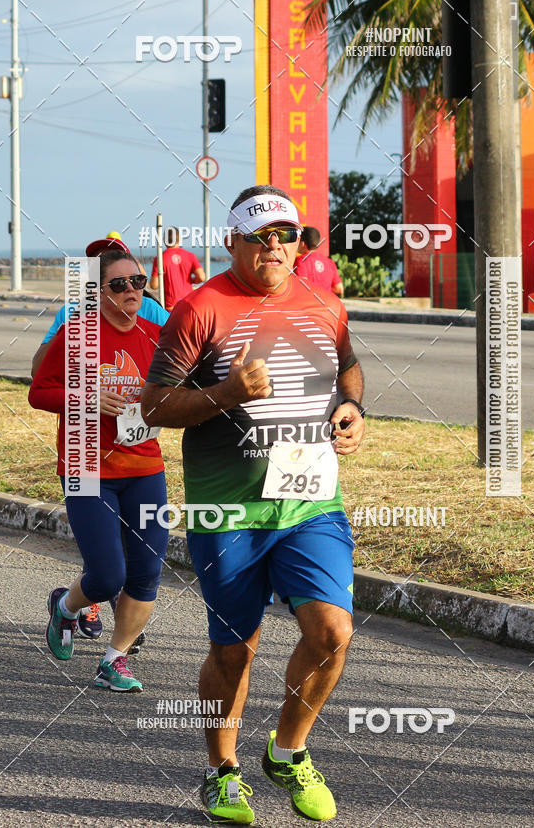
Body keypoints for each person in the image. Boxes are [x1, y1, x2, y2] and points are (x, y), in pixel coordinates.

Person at [141, 185, 364, 823]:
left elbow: (347, 367)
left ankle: (288, 751)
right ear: (234, 241)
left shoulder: (325, 303)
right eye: (260, 236)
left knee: (332, 631)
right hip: (228, 511)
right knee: (235, 649)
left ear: (300, 243)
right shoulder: (199, 309)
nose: (275, 247)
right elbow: (154, 406)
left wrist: (352, 408)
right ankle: (221, 771)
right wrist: (225, 393)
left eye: (286, 235)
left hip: (310, 504)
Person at [29, 248, 169, 692]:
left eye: (137, 282)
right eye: (119, 284)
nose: (131, 290)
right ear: (97, 291)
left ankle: (115, 660)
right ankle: (67, 608)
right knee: (108, 575)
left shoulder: (156, 335)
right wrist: (85, 399)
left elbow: (183, 386)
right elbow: (39, 391)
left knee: (146, 569)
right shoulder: (77, 333)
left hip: (144, 463)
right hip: (86, 463)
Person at [31, 236, 169, 378]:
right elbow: (38, 371)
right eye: (97, 263)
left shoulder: (148, 308)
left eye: (135, 280)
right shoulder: (71, 311)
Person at [150, 225, 206, 310]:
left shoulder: (159, 258)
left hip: (170, 307)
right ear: (179, 239)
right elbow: (202, 277)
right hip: (188, 305)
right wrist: (190, 280)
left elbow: (154, 285)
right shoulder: (190, 256)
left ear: (165, 241)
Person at [294, 225, 344, 297]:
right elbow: (339, 289)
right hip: (327, 306)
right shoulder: (330, 262)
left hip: (309, 306)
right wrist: (324, 291)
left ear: (302, 243)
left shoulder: (300, 261)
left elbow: (303, 288)